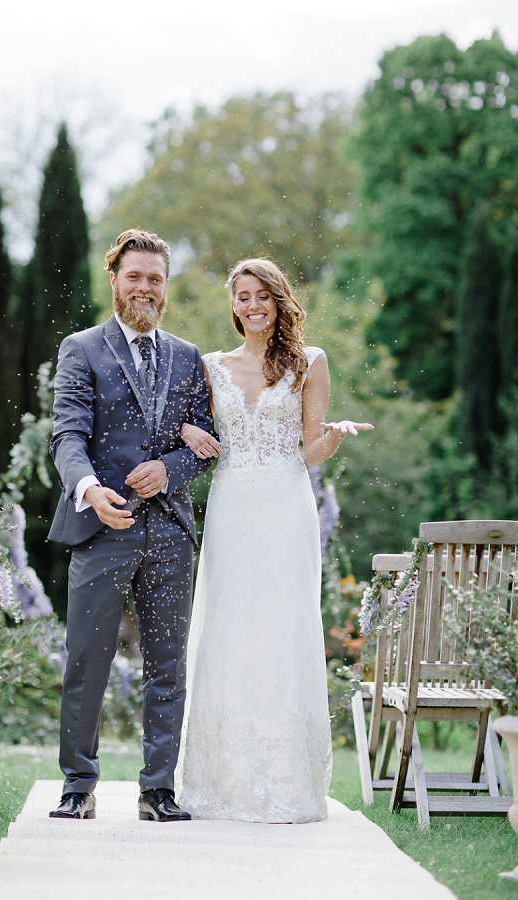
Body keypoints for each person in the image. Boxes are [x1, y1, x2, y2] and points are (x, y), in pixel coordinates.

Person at [176, 258, 373, 823]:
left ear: (279, 299)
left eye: (261, 294)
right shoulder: (210, 366)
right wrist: (189, 429)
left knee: (283, 629)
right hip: (233, 506)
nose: (252, 305)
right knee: (230, 628)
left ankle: (286, 784)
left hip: (286, 508)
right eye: (242, 296)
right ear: (232, 305)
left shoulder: (311, 362)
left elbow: (306, 450)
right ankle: (220, 783)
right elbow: (191, 428)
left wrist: (331, 441)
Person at [47, 229, 214, 823]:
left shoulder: (190, 357)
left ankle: (158, 789)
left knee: (168, 663)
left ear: (165, 286)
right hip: (102, 525)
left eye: (155, 279)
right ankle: (77, 785)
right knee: (86, 659)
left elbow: (204, 444)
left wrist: (170, 468)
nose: (145, 287)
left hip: (170, 531)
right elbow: (66, 434)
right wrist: (90, 490)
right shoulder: (81, 348)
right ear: (114, 279)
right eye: (135, 276)